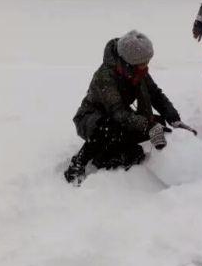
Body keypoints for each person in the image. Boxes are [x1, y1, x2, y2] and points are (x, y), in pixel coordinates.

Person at [64, 30, 185, 184]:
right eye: (143, 63)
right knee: (110, 127)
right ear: (129, 63)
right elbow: (118, 113)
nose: (146, 67)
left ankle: (113, 151)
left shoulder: (137, 71)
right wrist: (149, 126)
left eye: (147, 62)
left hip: (119, 116)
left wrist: (174, 118)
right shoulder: (105, 77)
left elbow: (155, 94)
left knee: (159, 124)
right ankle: (79, 163)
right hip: (91, 120)